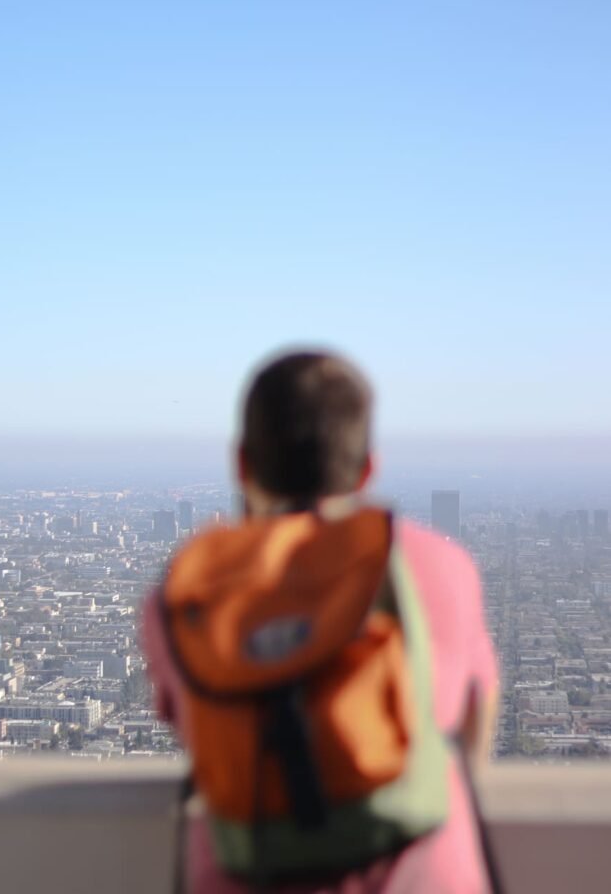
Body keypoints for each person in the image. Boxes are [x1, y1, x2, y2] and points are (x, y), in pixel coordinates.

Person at [142, 351, 499, 893]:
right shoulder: (439, 567)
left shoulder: (189, 591)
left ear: (241, 463)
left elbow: (198, 730)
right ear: (367, 467)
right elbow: (473, 727)